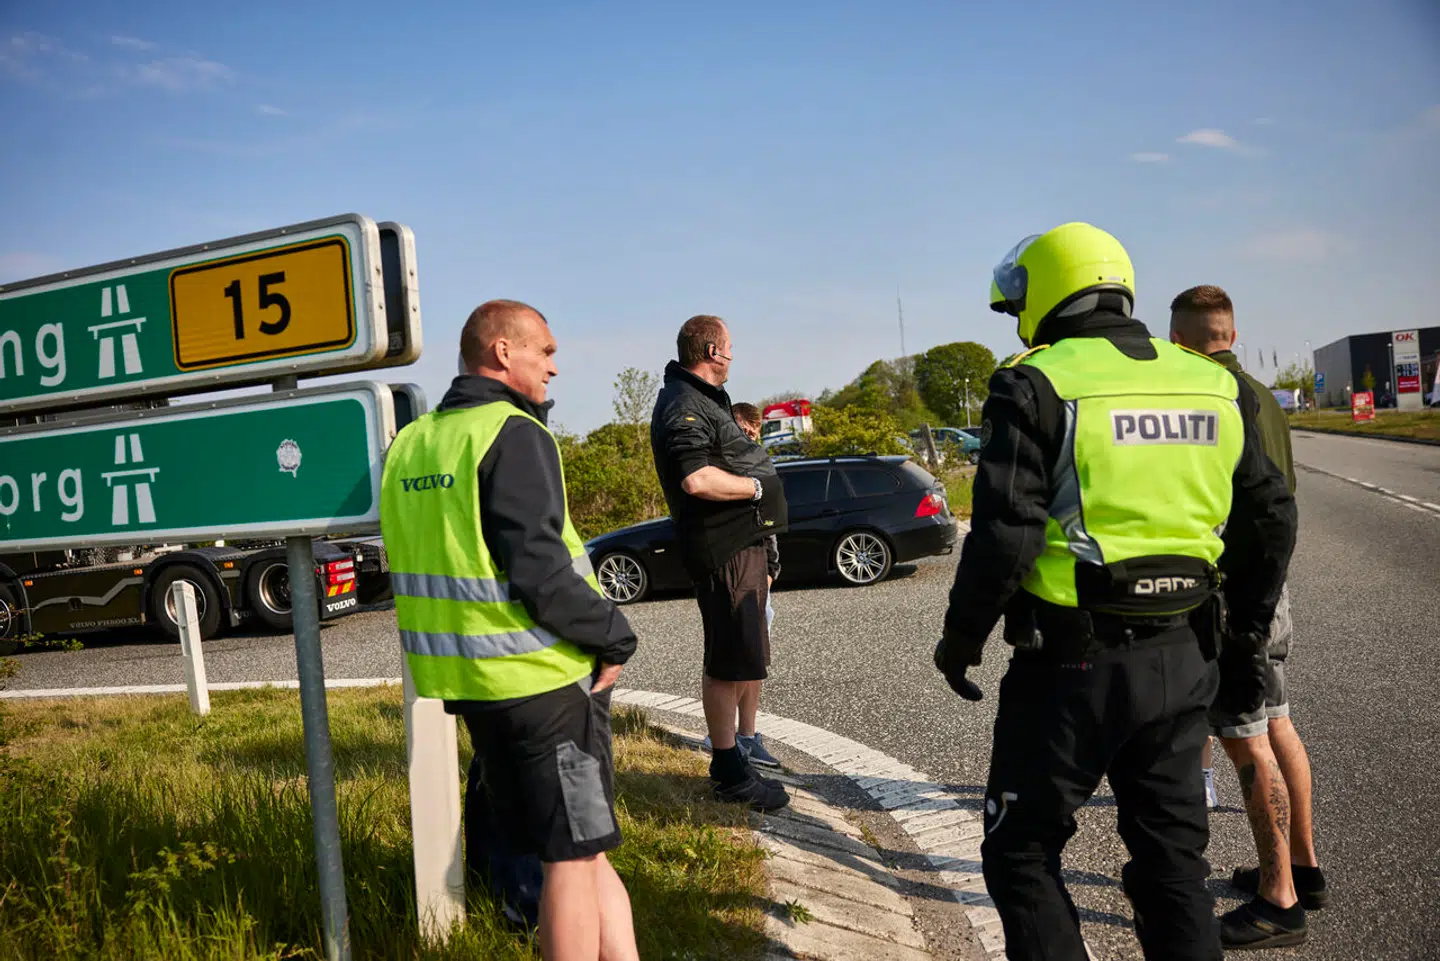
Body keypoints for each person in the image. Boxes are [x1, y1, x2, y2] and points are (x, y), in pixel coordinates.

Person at [932, 223, 1297, 961]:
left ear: (1047, 293)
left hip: (1070, 666)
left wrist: (960, 640)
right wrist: (1245, 639)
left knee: (1022, 853)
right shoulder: (1210, 380)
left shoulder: (1034, 380)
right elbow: (1273, 517)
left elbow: (1006, 535)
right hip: (1185, 657)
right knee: (1172, 868)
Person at [380, 299, 640, 961]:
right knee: (571, 860)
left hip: (470, 686)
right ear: (503, 351)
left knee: (584, 852)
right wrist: (613, 634)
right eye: (545, 352)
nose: (555, 366)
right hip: (543, 679)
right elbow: (540, 571)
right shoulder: (513, 432)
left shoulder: (412, 443)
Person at [1171, 284, 1328, 947]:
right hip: (1276, 585)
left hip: (1236, 593)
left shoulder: (1203, 398)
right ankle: (1302, 866)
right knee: (1279, 723)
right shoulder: (1265, 395)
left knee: (1245, 737)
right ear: (1230, 333)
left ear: (1179, 339)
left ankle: (1277, 899)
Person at [650, 315, 791, 810]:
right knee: (728, 659)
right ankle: (729, 772)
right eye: (729, 349)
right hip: (723, 550)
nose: (732, 357)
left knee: (741, 657)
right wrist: (755, 487)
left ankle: (735, 758)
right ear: (711, 351)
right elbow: (696, 479)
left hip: (743, 547)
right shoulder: (683, 403)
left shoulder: (706, 400)